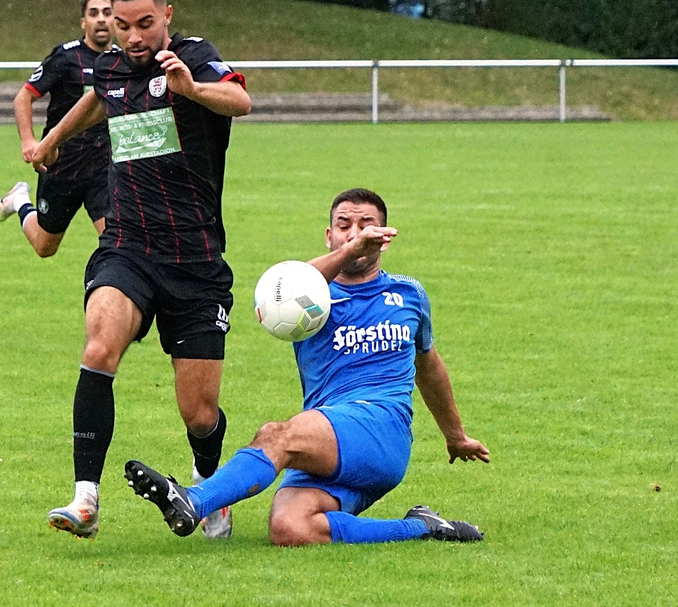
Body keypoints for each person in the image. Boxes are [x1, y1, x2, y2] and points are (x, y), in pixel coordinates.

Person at [125, 188, 491, 546]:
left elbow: (429, 366)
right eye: (344, 225)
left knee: (276, 436)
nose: (355, 233)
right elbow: (284, 285)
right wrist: (350, 251)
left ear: (383, 239)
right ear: (329, 236)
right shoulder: (308, 297)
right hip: (328, 435)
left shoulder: (409, 293)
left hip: (382, 428)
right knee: (291, 527)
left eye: (366, 225)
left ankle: (195, 500)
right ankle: (421, 528)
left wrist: (456, 436)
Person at [29, 0, 251, 540]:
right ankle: (85, 498)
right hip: (127, 247)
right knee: (100, 344)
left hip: (196, 261)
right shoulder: (109, 67)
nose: (132, 36)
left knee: (199, 414)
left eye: (145, 24)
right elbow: (96, 100)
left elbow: (240, 100)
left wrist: (192, 90)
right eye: (123, 25)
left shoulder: (194, 57)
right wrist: (52, 140)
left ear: (166, 16)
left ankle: (208, 483)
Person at [0, 0, 114, 257]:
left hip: (103, 169)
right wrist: (28, 141)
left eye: (107, 13)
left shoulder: (120, 61)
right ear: (83, 22)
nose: (101, 19)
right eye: (94, 13)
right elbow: (24, 97)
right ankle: (19, 200)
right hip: (61, 166)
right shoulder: (66, 57)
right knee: (45, 247)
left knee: (117, 240)